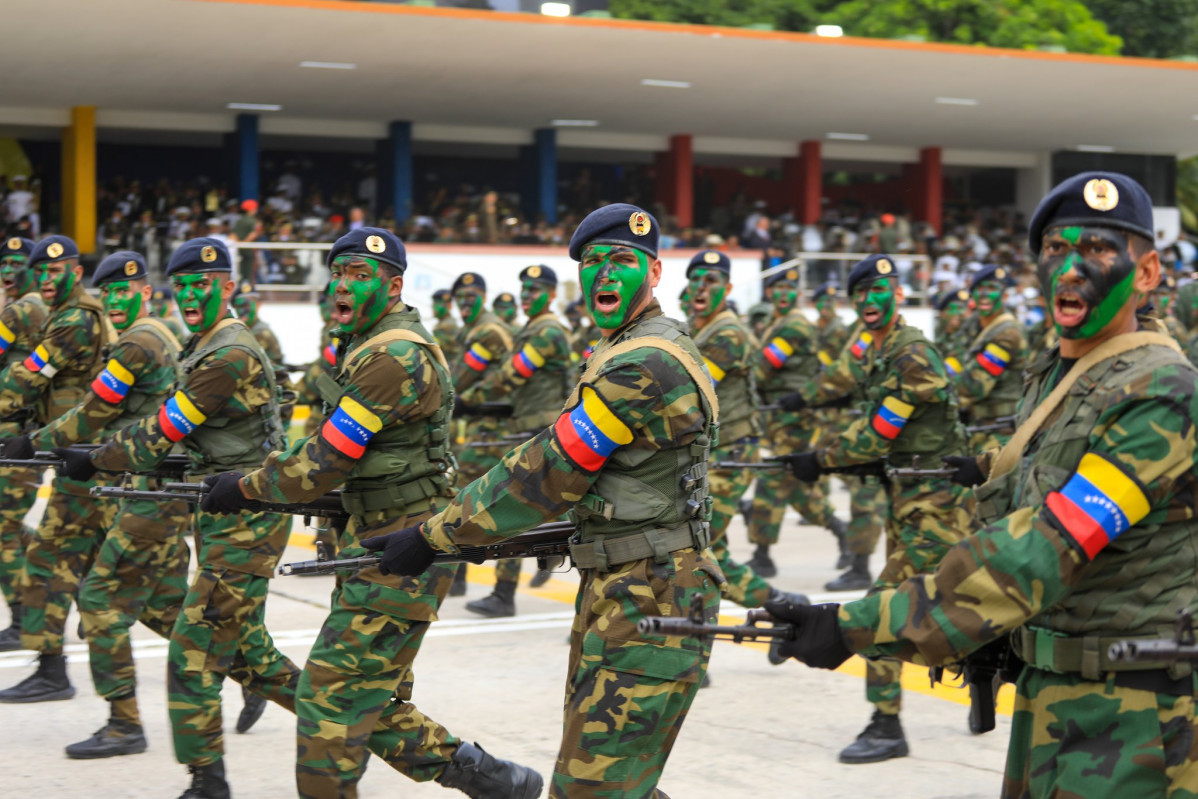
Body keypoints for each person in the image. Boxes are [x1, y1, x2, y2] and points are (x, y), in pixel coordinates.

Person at [768, 171, 1198, 798]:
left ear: (1149, 272)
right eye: (1056, 249)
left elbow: (1044, 547)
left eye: (1100, 250)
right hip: (1054, 696)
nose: (1072, 267)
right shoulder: (1061, 376)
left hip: (1134, 719)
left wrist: (855, 624)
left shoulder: (1161, 392)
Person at [363, 203, 723, 798]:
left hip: (653, 592)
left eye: (622, 262)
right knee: (616, 779)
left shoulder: (646, 363)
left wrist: (433, 535)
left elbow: (547, 472)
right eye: (592, 263)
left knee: (590, 787)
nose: (604, 275)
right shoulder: (622, 346)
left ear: (655, 273)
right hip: (627, 584)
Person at [197, 228, 543, 799]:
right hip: (376, 538)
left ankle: (484, 776)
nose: (343, 284)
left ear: (394, 285)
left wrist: (246, 486)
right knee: (359, 697)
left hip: (403, 545)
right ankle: (487, 777)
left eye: (360, 274)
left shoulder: (393, 354)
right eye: (338, 272)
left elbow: (323, 462)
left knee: (328, 702)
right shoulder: (368, 345)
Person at [57, 237, 298, 798]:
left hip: (247, 517)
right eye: (183, 286)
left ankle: (208, 781)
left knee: (191, 655)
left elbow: (165, 427)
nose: (191, 295)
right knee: (241, 654)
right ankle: (355, 719)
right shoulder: (201, 344)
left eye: (203, 285)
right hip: (223, 512)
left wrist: (94, 458)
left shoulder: (226, 354)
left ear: (229, 287)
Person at [776, 253, 974, 763]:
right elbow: (889, 433)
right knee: (952, 604)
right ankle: (983, 679)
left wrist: (822, 460)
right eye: (860, 293)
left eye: (879, 290)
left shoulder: (910, 354)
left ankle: (887, 724)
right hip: (911, 498)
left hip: (936, 505)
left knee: (882, 609)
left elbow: (881, 430)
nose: (869, 300)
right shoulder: (878, 351)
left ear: (899, 296)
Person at [0, 251, 190, 757]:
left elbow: (90, 410)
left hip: (114, 472)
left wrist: (34, 441)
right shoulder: (157, 333)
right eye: (111, 294)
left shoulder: (128, 339)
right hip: (117, 472)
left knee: (88, 587)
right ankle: (258, 673)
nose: (116, 301)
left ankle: (103, 707)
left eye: (124, 291)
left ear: (145, 292)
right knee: (164, 607)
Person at [0, 235, 116, 703]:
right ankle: (52, 667)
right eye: (41, 272)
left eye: (55, 271)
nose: (47, 280)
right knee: (74, 558)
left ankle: (53, 671)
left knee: (50, 558)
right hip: (75, 452)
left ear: (74, 271)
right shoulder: (62, 315)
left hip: (83, 453)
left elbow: (27, 376)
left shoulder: (74, 321)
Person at [686, 250, 806, 611]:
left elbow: (692, 391)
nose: (701, 288)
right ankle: (783, 607)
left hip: (731, 453)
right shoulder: (699, 329)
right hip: (711, 451)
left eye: (711, 281)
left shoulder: (728, 333)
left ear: (728, 288)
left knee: (696, 548)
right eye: (696, 280)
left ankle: (692, 647)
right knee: (707, 548)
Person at [468, 265, 572, 613]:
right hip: (530, 429)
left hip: (538, 431)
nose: (528, 295)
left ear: (553, 294)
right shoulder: (534, 328)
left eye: (536, 289)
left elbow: (513, 375)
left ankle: (505, 593)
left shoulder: (547, 332)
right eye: (524, 289)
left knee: (509, 506)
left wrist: (470, 397)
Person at [747, 267, 848, 578]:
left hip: (794, 417)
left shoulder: (793, 327)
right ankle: (842, 531)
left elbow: (763, 368)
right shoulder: (779, 324)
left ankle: (762, 554)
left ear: (796, 295)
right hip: (780, 415)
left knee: (774, 478)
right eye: (777, 288)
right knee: (796, 488)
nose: (783, 294)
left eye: (789, 289)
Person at [448, 272, 512, 598]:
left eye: (470, 297)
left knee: (468, 501)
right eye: (459, 298)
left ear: (483, 297)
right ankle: (461, 579)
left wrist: (455, 400)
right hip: (484, 428)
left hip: (492, 430)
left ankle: (498, 590)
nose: (464, 303)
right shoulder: (474, 330)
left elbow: (460, 380)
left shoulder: (487, 332)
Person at [0, 237, 47, 650]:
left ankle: (21, 618)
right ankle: (71, 571)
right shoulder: (49, 309)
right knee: (10, 525)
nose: (9, 270)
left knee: (2, 528)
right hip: (28, 436)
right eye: (5, 262)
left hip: (11, 436)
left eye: (18, 262)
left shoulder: (17, 311)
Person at [955, 265, 1026, 452]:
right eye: (980, 289)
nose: (985, 294)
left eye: (992, 289)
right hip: (977, 423)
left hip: (1000, 431)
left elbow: (975, 385)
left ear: (1004, 297)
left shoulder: (1008, 332)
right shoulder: (973, 324)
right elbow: (953, 355)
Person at [430, 288, 460, 364]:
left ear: (449, 306)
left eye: (438, 303)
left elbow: (432, 350)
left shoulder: (447, 326)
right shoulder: (443, 324)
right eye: (433, 303)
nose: (433, 306)